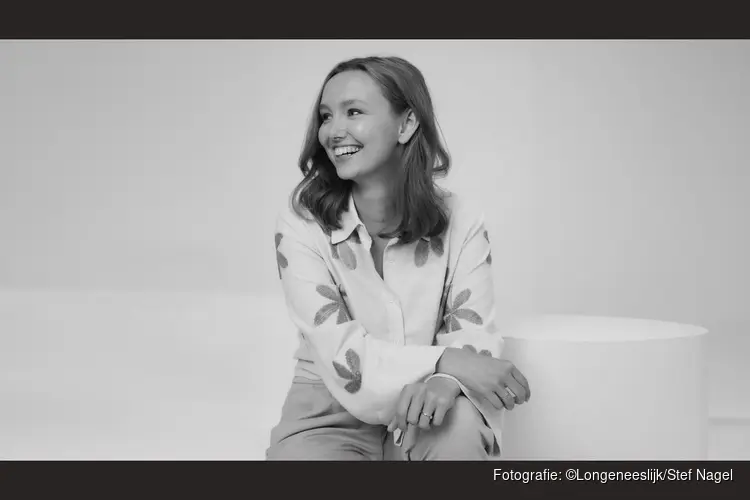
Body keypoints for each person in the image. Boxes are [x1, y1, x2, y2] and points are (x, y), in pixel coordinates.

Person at [267, 55, 531, 461]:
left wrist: (447, 380)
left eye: (353, 112)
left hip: (430, 399)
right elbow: (343, 357)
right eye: (326, 116)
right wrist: (447, 361)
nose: (333, 131)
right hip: (326, 409)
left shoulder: (462, 220)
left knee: (460, 433)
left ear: (406, 125)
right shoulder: (301, 222)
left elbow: (473, 330)